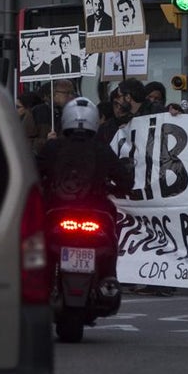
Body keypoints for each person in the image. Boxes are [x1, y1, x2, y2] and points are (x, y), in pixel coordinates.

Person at [37, 97, 134, 280]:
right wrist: (119, 187)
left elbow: (32, 174)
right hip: (94, 212)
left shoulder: (52, 147)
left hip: (58, 211)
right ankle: (109, 278)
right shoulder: (102, 149)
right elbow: (124, 179)